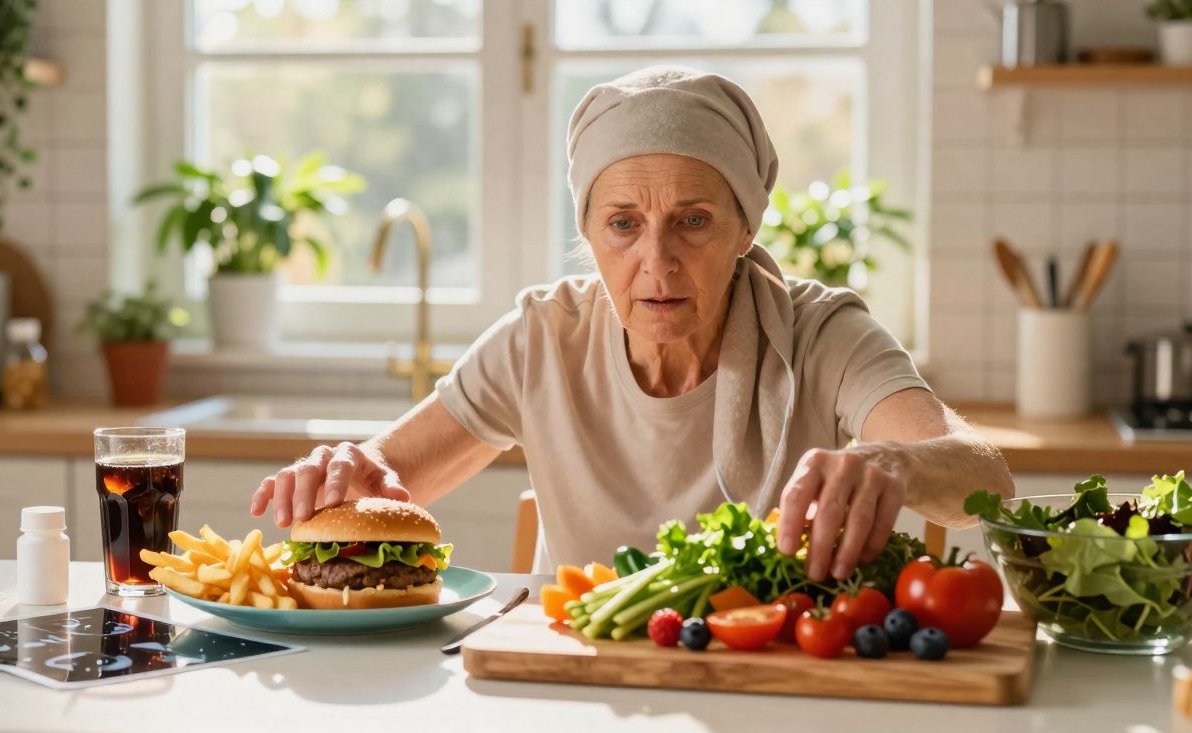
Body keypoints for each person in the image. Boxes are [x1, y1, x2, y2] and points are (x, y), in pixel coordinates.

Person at [251, 67, 1014, 579]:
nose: (658, 261)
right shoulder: (542, 338)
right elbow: (388, 480)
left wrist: (898, 464)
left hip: (779, 682)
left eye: (693, 220)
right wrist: (349, 471)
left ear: (746, 229)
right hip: (579, 688)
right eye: (623, 223)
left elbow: (985, 477)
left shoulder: (822, 333)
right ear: (588, 233)